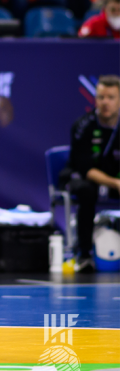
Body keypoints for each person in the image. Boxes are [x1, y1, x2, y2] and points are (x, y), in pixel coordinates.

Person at [67, 75, 120, 272]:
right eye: (101, 97)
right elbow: (85, 169)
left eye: (111, 97)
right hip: (86, 180)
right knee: (87, 192)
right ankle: (85, 255)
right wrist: (115, 183)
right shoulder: (82, 126)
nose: (105, 102)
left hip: (116, 180)